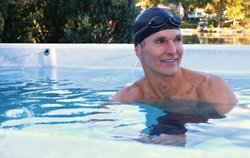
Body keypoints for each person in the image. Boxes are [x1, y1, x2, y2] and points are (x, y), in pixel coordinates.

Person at [112, 7, 237, 108]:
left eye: (177, 40)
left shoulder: (210, 87)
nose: (173, 50)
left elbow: (237, 131)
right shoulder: (128, 97)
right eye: (160, 41)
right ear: (139, 51)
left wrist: (188, 134)